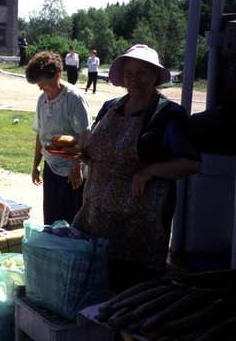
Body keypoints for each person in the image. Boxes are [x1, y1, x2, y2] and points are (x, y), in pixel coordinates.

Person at [72, 44, 201, 291]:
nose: (134, 79)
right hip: (95, 216)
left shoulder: (168, 114)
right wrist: (78, 157)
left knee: (131, 292)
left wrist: (149, 171)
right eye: (129, 73)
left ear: (155, 76)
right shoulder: (111, 106)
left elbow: (191, 163)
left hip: (139, 228)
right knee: (95, 289)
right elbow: (95, 150)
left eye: (142, 72)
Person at [26, 51, 90, 225]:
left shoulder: (73, 99)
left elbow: (85, 134)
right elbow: (40, 134)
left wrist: (77, 166)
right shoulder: (42, 100)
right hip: (51, 167)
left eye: (43, 83)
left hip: (72, 171)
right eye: (38, 84)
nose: (40, 87)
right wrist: (35, 166)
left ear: (57, 75)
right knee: (51, 218)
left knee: (70, 220)